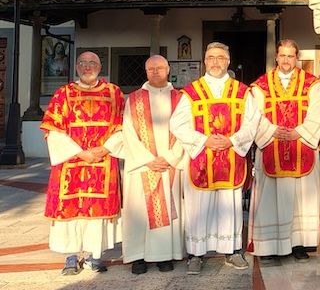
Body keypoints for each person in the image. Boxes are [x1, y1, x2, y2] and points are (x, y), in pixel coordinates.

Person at [169, 42, 259, 274]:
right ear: (204, 61)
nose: (216, 62)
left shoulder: (242, 91)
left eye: (220, 57)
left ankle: (231, 250)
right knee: (198, 207)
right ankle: (196, 254)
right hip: (202, 159)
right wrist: (204, 141)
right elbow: (176, 124)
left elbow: (252, 122)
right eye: (211, 58)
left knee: (229, 206)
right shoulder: (192, 92)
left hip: (230, 157)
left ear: (228, 61)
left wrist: (232, 140)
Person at [41, 51, 124, 275]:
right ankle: (70, 257)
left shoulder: (114, 93)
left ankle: (95, 256)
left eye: (92, 63)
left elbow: (123, 126)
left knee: (98, 211)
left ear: (100, 66)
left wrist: (106, 148)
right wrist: (80, 153)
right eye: (83, 63)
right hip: (71, 163)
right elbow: (53, 130)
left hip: (103, 161)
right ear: (76, 67)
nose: (88, 67)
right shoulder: (63, 94)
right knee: (71, 211)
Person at [248, 39, 320, 264]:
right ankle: (270, 245)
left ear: (297, 58)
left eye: (291, 56)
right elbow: (254, 116)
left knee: (301, 199)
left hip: (301, 146)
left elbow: (317, 112)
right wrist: (273, 131)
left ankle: (299, 244)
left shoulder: (312, 84)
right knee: (271, 198)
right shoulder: (261, 85)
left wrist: (299, 132)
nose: (286, 60)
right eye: (282, 56)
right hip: (271, 146)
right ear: (276, 57)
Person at [120, 55, 185, 275]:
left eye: (159, 68)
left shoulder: (181, 98)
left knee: (168, 206)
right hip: (142, 165)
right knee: (138, 210)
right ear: (146, 72)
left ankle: (164, 255)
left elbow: (186, 131)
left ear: (168, 69)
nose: (155, 72)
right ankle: (139, 256)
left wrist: (169, 158)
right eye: (150, 69)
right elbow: (127, 132)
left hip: (169, 165)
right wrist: (147, 159)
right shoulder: (134, 98)